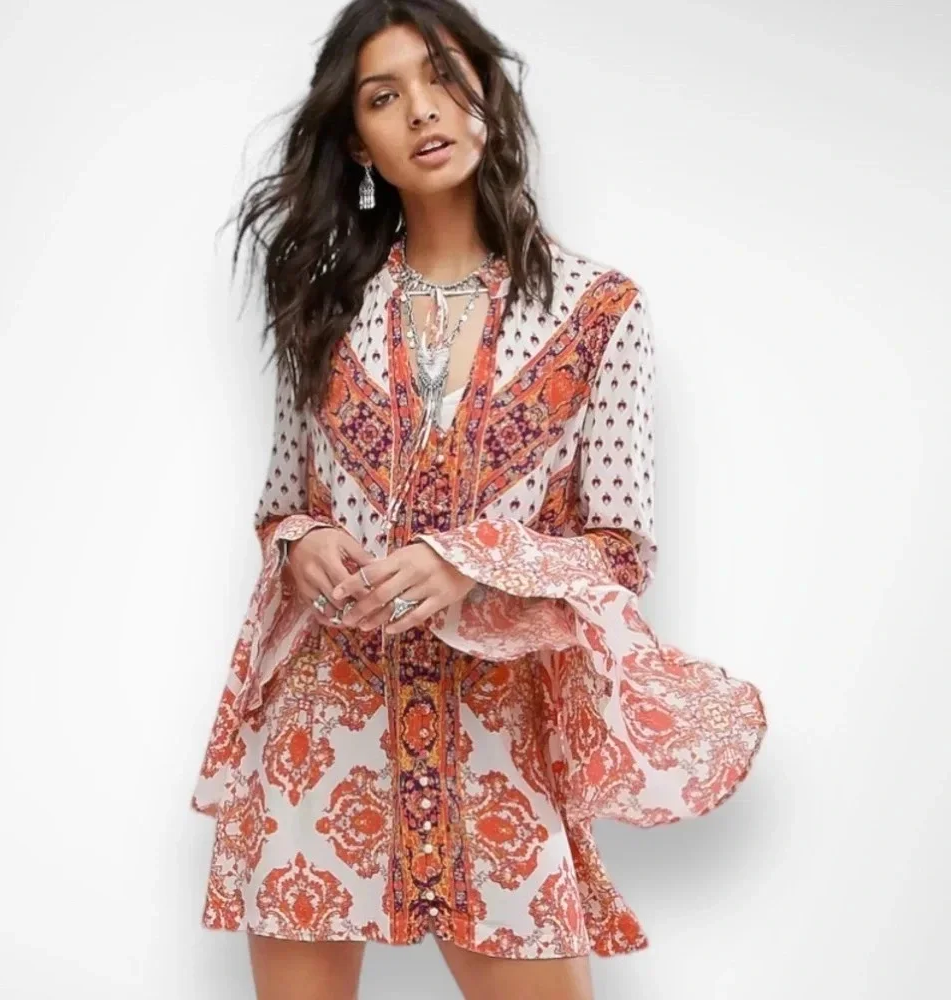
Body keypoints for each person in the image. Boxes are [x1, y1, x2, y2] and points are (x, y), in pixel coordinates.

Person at [191, 1, 768, 997]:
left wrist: (471, 561)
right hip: (321, 729)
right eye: (383, 97)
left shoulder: (598, 312)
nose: (422, 109)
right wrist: (303, 539)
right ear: (357, 143)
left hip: (498, 734)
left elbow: (619, 553)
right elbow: (281, 506)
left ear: (485, 98)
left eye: (442, 77)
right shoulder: (324, 304)